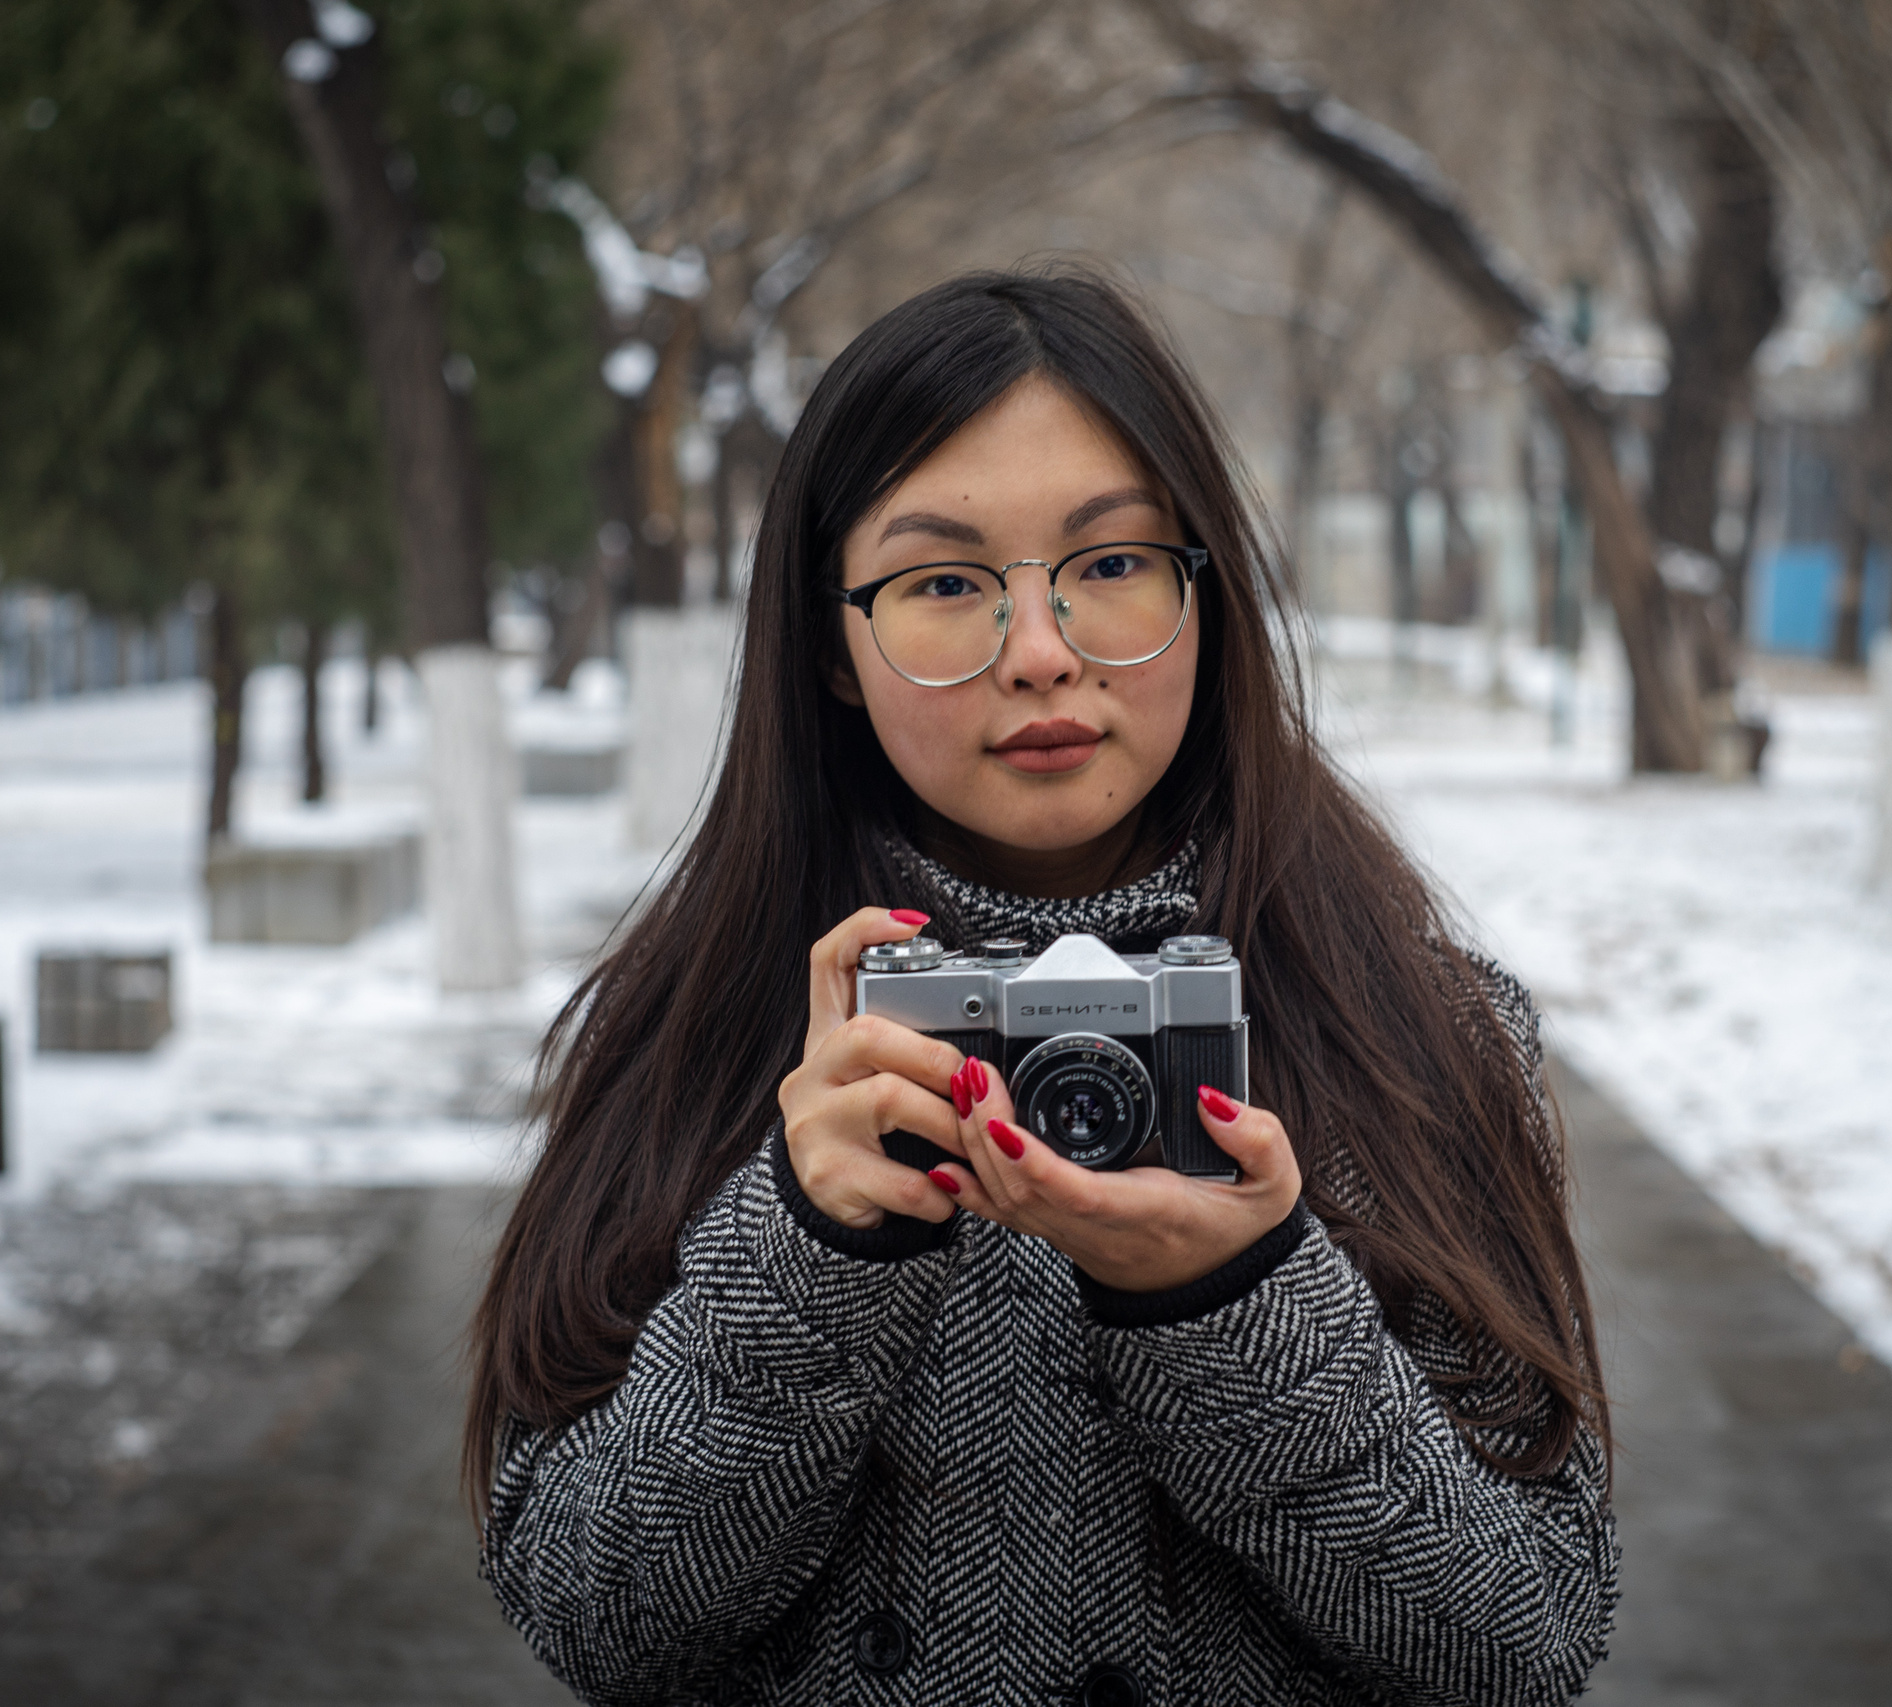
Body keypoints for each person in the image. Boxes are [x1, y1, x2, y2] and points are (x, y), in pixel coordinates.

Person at [468, 269, 1616, 1706]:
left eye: (1114, 564)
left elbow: (1528, 1640)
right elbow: (592, 1614)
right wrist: (811, 1254)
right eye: (944, 583)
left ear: (1208, 595)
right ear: (831, 643)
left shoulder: (1420, 1032)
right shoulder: (697, 1030)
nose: (1042, 654)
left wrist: (1234, 1300)